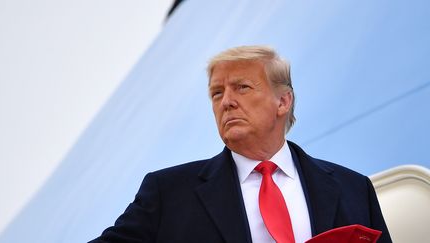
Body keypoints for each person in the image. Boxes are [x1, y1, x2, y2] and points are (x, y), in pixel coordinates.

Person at [90, 46, 392, 243]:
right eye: (217, 93)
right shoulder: (168, 194)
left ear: (283, 101)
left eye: (242, 88)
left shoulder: (354, 189)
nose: (227, 102)